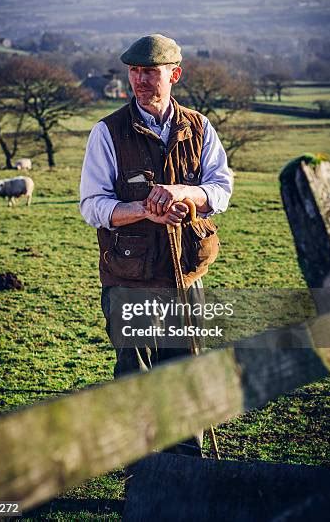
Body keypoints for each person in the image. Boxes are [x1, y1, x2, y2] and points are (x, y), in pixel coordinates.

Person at [80, 34, 233, 457]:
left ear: (175, 75)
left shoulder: (199, 127)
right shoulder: (108, 132)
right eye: (135, 71)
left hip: (186, 275)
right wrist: (147, 210)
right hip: (130, 278)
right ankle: (143, 480)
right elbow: (93, 206)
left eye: (151, 71)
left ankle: (186, 479)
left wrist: (184, 193)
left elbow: (220, 189)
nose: (141, 80)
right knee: (138, 376)